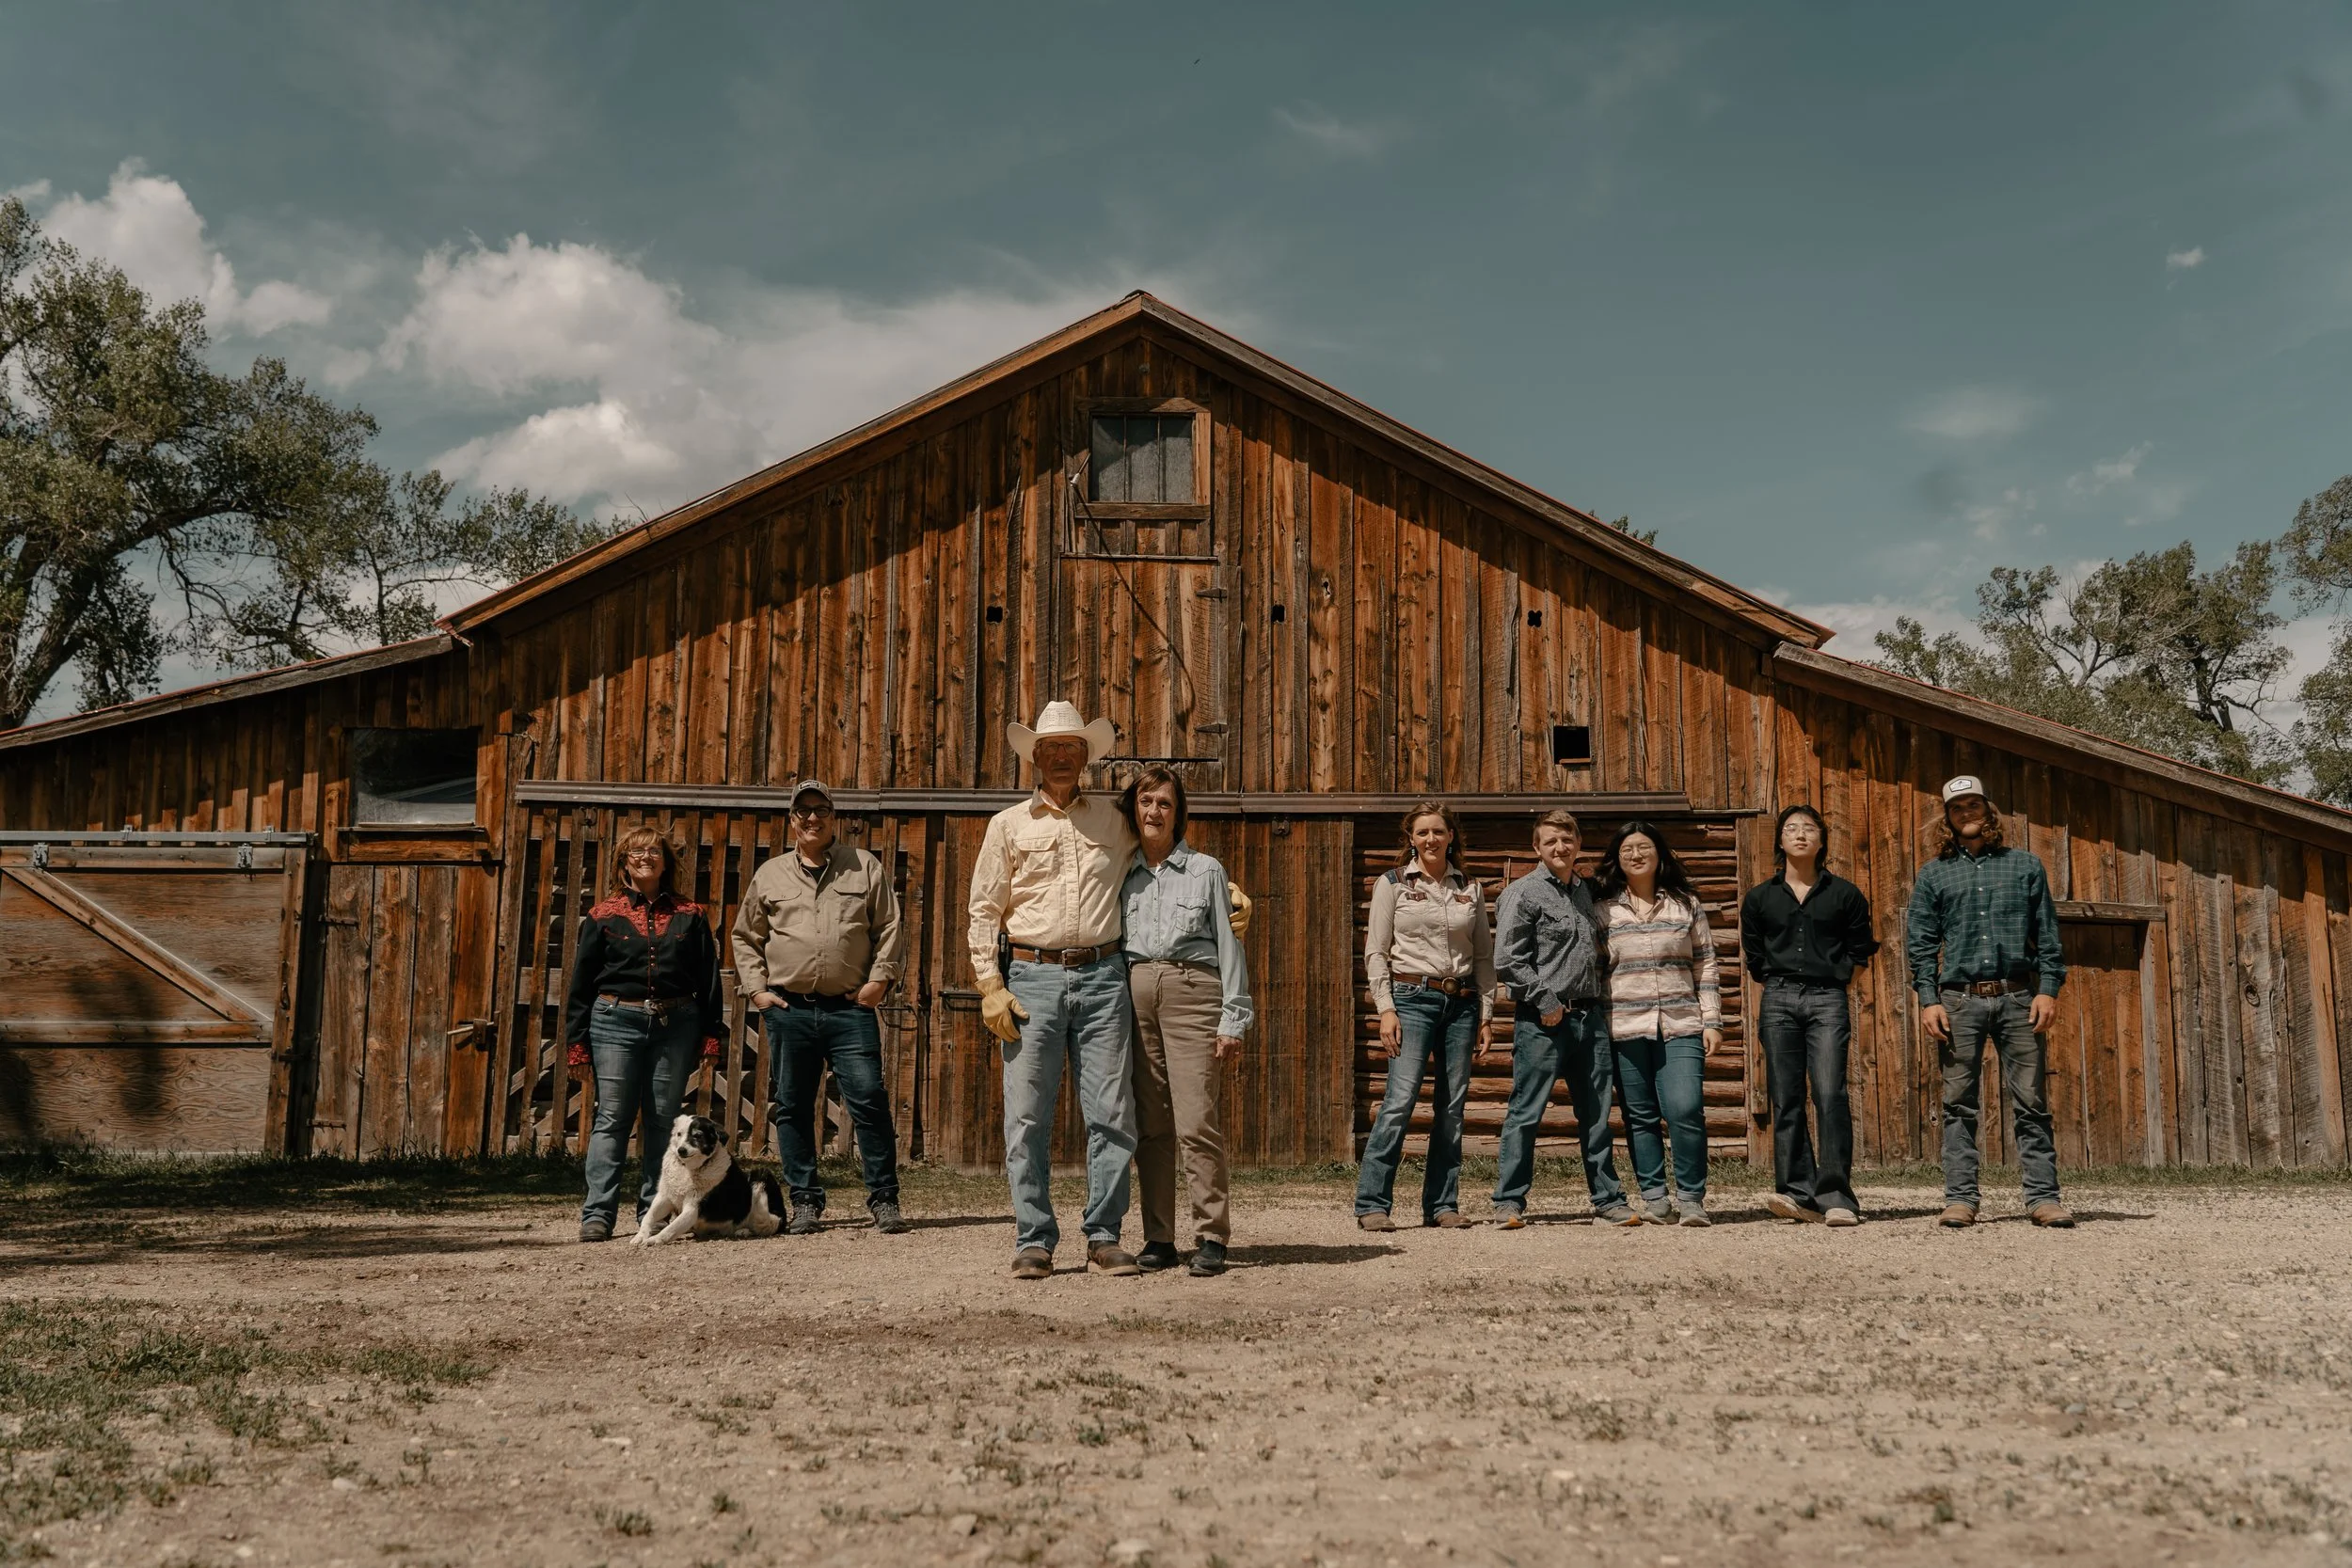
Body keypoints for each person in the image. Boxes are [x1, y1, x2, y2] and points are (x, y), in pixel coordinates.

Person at [966, 701, 1251, 1281]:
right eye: (1052, 748)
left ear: (1086, 756)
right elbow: (982, 909)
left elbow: (1160, 852)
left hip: (1103, 978)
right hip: (1031, 977)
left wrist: (1221, 892)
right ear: (1036, 758)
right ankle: (1034, 1240)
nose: (1063, 756)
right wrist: (989, 983)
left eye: (1073, 747)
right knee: (1026, 1116)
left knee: (1112, 1114)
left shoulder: (1112, 820)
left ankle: (1103, 1236)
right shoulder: (1008, 825)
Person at [731, 778, 910, 1237]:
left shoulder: (863, 866)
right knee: (791, 1106)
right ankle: (806, 1201)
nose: (812, 817)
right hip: (789, 1009)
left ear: (835, 817)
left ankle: (884, 1199)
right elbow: (745, 936)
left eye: (821, 809)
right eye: (803, 810)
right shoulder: (770, 875)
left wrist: (880, 981)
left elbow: (888, 926)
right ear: (791, 819)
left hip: (850, 1010)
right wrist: (757, 991)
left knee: (868, 1100)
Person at [1907, 775, 2073, 1229]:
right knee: (1959, 1103)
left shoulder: (2025, 866)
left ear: (1989, 809)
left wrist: (2048, 989)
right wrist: (1928, 998)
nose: (1967, 813)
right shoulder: (1934, 873)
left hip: (2018, 997)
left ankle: (2043, 1198)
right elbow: (1920, 943)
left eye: (1974, 804)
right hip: (1959, 1001)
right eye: (1958, 807)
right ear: (1948, 816)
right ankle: (1961, 1199)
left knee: (2032, 1101)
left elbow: (2048, 938)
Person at [1118, 766, 1251, 1277]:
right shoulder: (1120, 869)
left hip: (1194, 992)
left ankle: (1211, 1234)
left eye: (1164, 803)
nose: (1154, 811)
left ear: (1179, 813)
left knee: (1196, 1119)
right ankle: (1159, 1238)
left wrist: (1232, 1019)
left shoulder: (1207, 871)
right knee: (1150, 1126)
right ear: (1135, 809)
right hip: (1133, 993)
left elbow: (1228, 943)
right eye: (1146, 801)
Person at [564, 825, 727, 1243]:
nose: (645, 858)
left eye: (654, 851)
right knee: (612, 1118)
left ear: (666, 861)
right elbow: (581, 983)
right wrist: (577, 1043)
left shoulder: (690, 914)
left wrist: (711, 1035)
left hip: (676, 1024)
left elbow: (709, 979)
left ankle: (652, 1211)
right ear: (623, 862)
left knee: (662, 1121)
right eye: (636, 852)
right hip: (615, 1020)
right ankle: (597, 1214)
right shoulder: (603, 915)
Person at [1484, 808, 1637, 1228]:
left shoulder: (1586, 892)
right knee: (1526, 1112)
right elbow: (1508, 960)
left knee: (1596, 1114)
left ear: (1578, 844)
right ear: (1536, 847)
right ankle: (1508, 1202)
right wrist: (1545, 1001)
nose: (1560, 847)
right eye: (1550, 840)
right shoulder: (1525, 892)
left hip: (1590, 1020)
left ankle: (1608, 1200)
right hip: (1542, 1021)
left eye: (1567, 839)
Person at [1356, 800, 1497, 1232]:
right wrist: (1386, 1010)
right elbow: (1376, 952)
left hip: (1461, 1004)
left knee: (1452, 1108)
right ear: (1411, 839)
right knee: (1400, 1102)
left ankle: (1442, 1205)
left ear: (1451, 835)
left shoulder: (1469, 888)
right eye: (1422, 833)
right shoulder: (1393, 884)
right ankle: (1373, 1204)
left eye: (1438, 831)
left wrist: (1486, 1015)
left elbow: (1484, 957)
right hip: (1411, 998)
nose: (1431, 839)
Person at [1741, 803, 1879, 1227]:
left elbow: (1860, 952)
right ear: (1779, 841)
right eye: (1791, 829)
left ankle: (1837, 1195)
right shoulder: (1761, 897)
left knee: (1830, 1093)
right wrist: (1780, 984)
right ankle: (1797, 1192)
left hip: (1827, 999)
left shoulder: (1845, 895)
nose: (1800, 835)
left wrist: (1834, 986)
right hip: (1778, 998)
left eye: (1809, 829)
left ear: (1821, 841)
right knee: (1785, 1097)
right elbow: (1755, 954)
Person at [1594, 819, 1724, 1227]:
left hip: (1682, 1022)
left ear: (1659, 853)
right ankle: (1655, 1198)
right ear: (1617, 858)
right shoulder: (1604, 910)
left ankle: (1691, 1199)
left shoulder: (1686, 904)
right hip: (1625, 1026)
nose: (1636, 854)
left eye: (1644, 847)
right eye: (1627, 848)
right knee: (1640, 1115)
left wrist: (1712, 1020)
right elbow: (1596, 971)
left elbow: (1705, 963)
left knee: (1686, 1108)